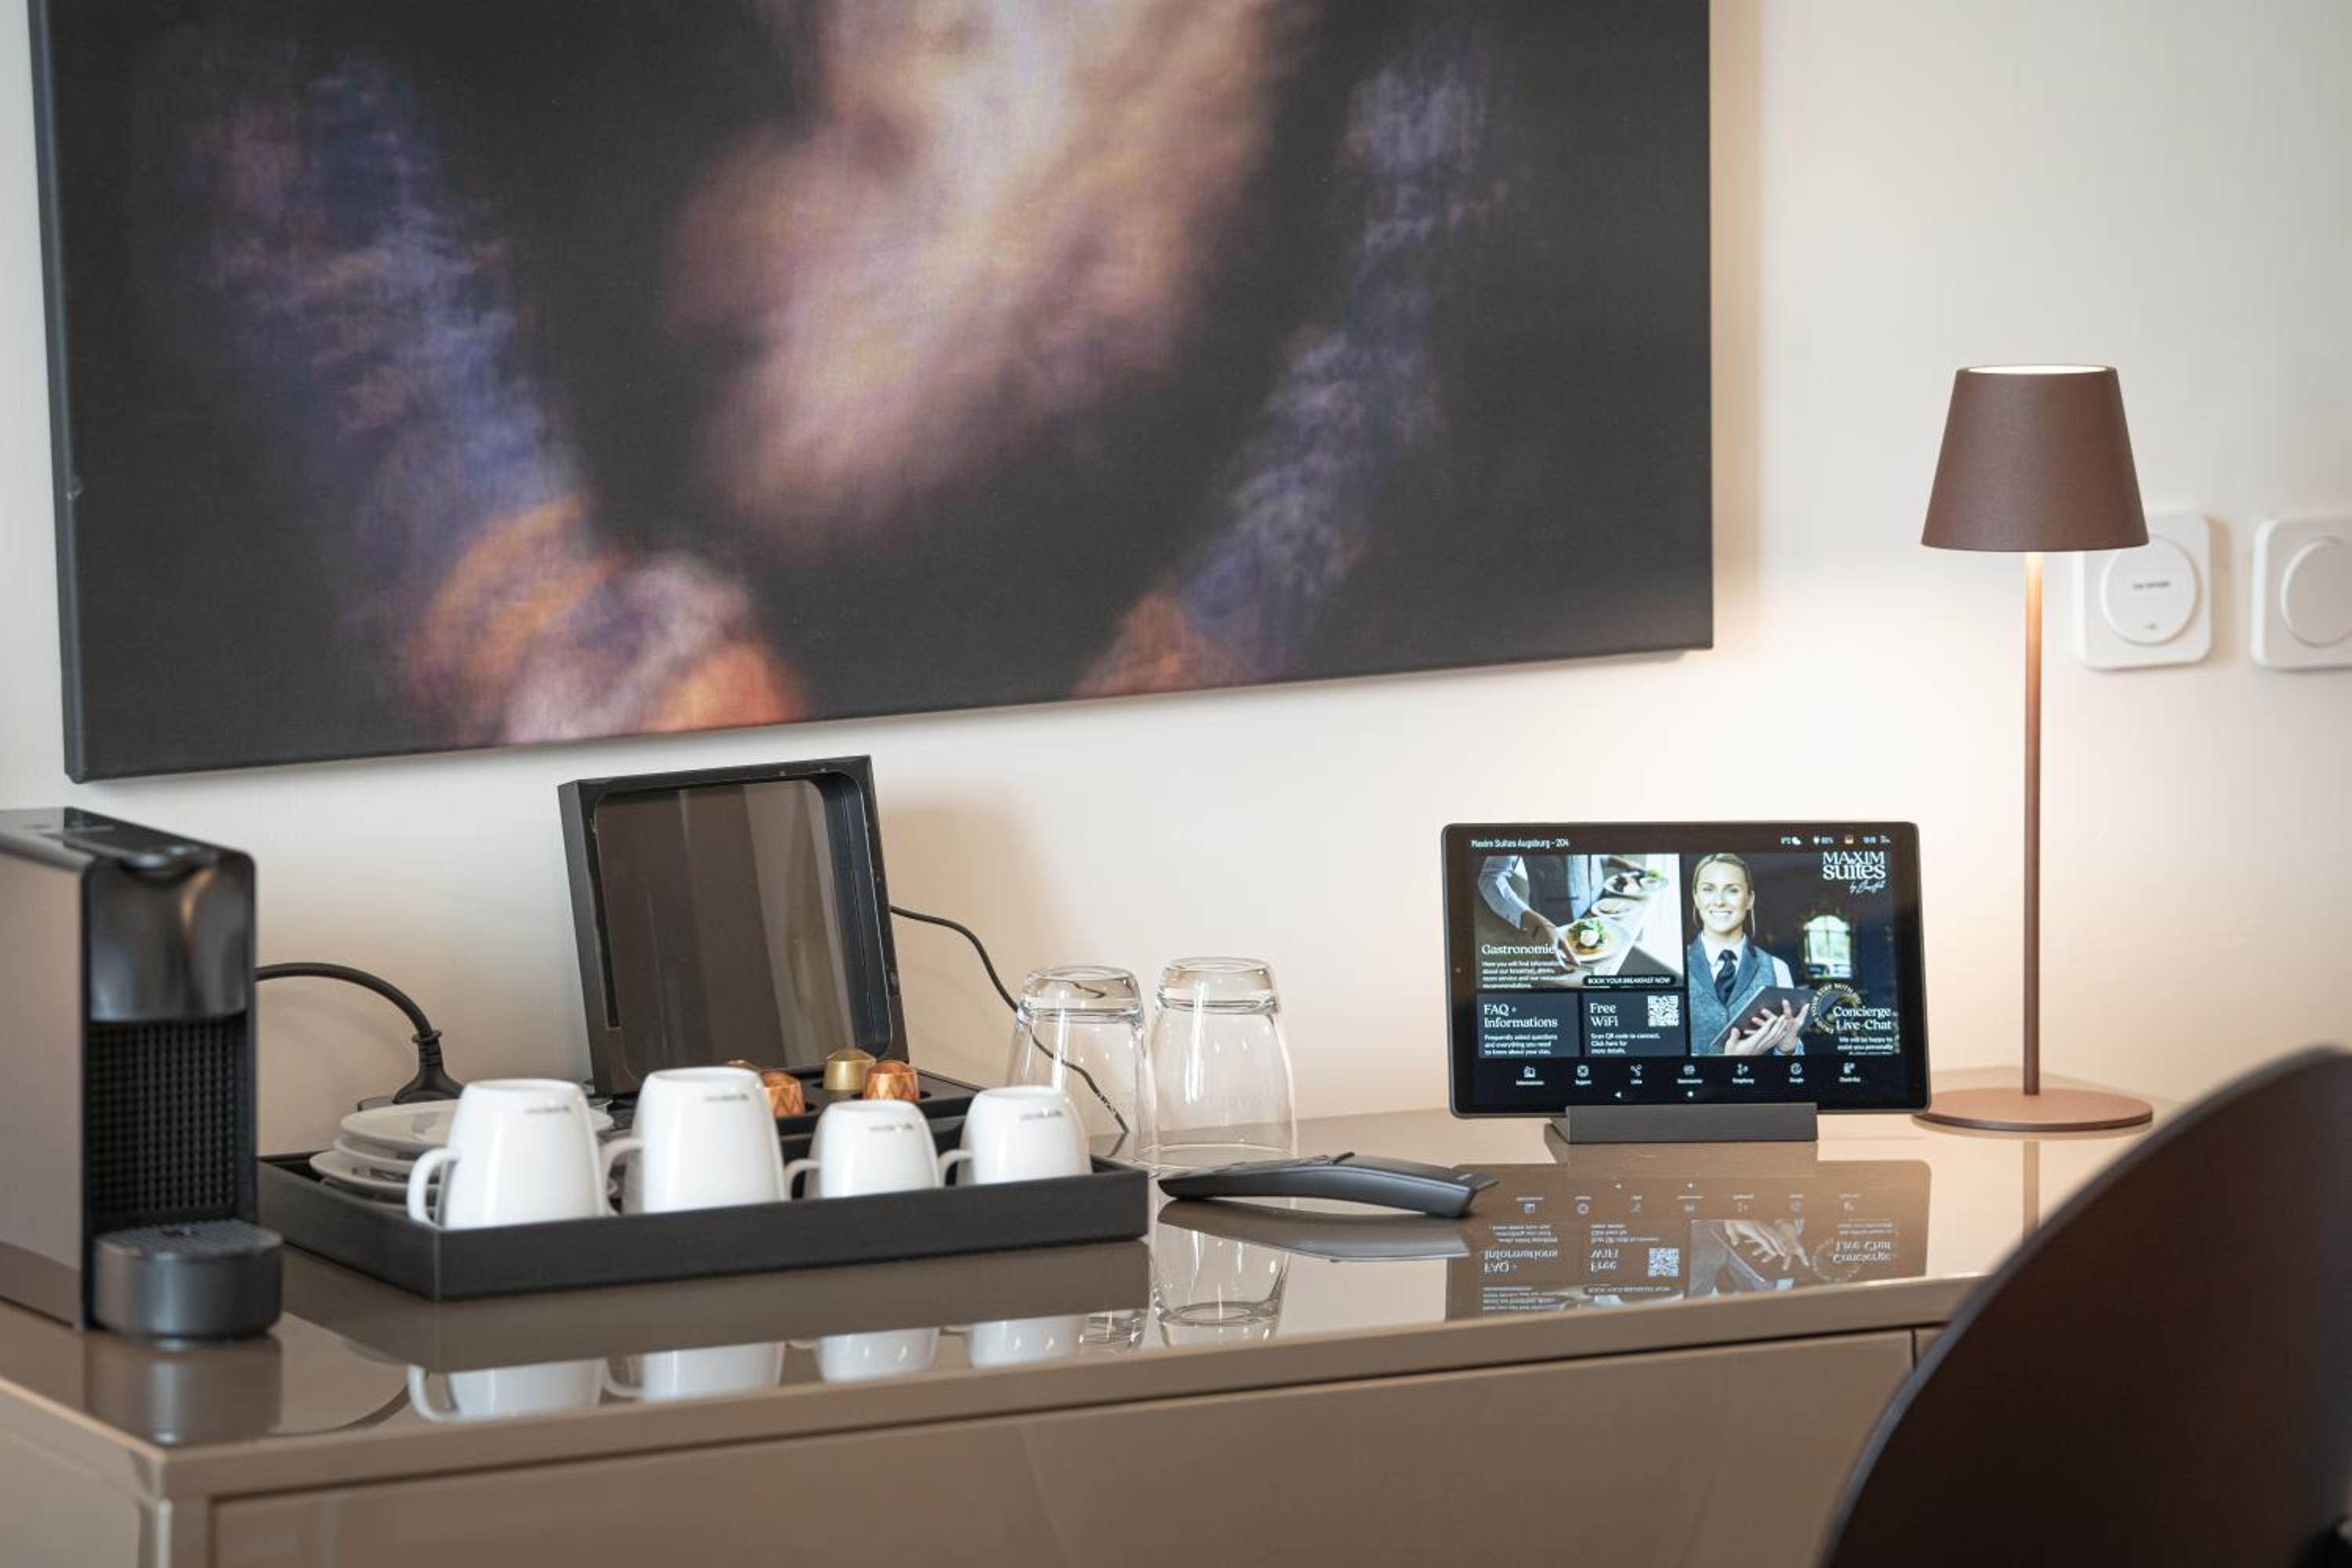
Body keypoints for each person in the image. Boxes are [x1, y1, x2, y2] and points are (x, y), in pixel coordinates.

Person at [1685, 853, 1808, 1056]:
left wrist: (1788, 1047)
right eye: (1708, 890)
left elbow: (1795, 1069)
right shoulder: (1672, 966)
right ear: (1696, 898)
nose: (1719, 902)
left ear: (1750, 899)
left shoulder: (1777, 968)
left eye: (1732, 890)